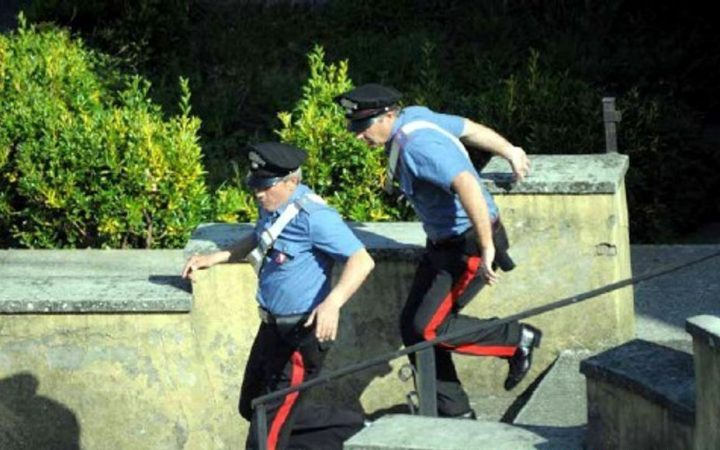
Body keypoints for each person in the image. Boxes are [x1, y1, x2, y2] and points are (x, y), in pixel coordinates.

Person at [335, 84, 543, 419]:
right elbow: (470, 129)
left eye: (363, 128)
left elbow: (467, 184)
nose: (357, 137)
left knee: (428, 329)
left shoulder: (418, 146)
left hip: (467, 245)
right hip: (443, 245)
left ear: (388, 116)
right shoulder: (415, 117)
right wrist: (510, 149)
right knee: (413, 329)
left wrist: (487, 246)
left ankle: (517, 338)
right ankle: (454, 412)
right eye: (355, 128)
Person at [182, 142, 375, 450]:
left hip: (302, 334)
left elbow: (362, 260)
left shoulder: (315, 217)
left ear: (291, 182)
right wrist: (217, 257)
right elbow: (260, 237)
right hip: (272, 327)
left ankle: (329, 433)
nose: (258, 194)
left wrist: (333, 303)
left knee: (264, 434)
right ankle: (350, 429)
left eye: (266, 188)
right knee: (251, 405)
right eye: (255, 186)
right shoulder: (272, 205)